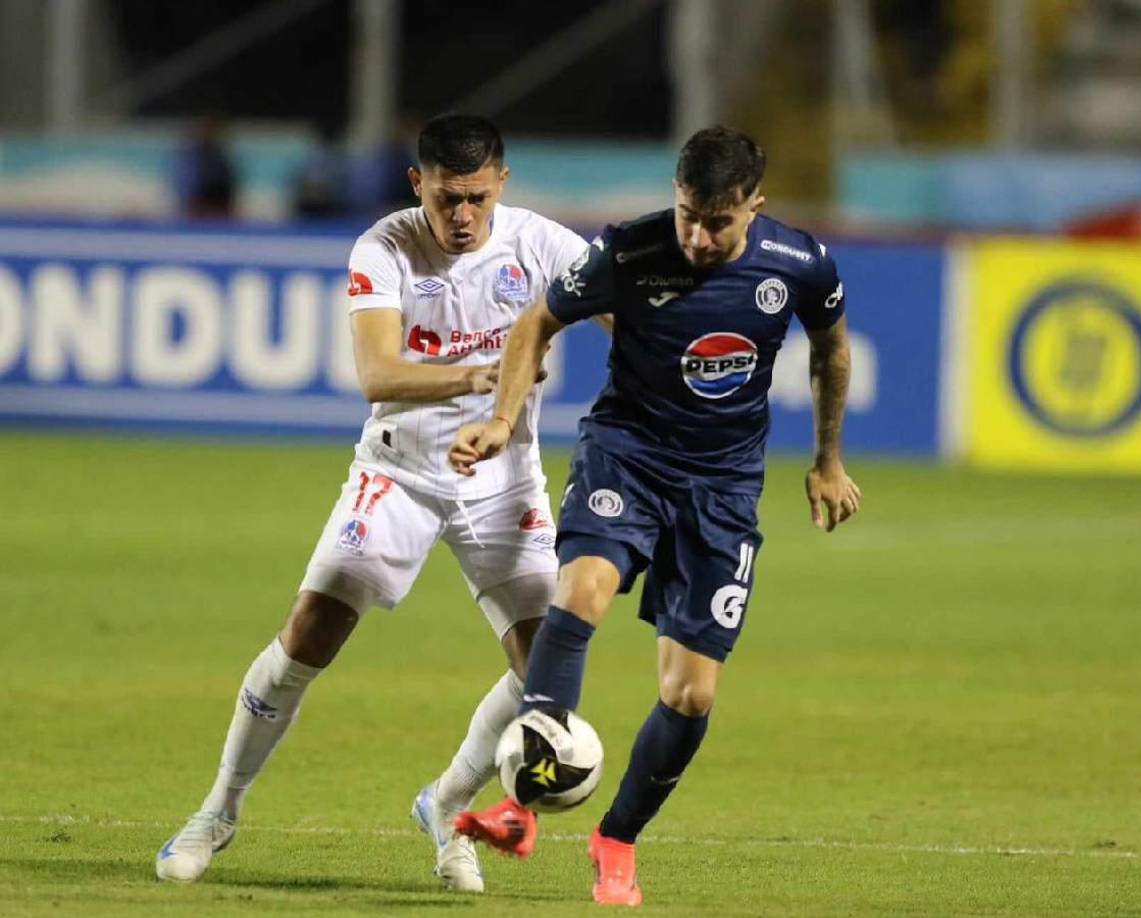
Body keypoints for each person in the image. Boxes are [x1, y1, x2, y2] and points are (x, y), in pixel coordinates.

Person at [155, 114, 601, 894]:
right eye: (444, 199)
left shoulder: (543, 245)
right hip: (399, 471)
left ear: (501, 182)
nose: (460, 217)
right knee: (309, 632)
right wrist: (486, 375)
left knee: (547, 672)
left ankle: (448, 805)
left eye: (474, 198)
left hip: (504, 481)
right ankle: (218, 811)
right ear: (415, 184)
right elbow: (378, 374)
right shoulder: (384, 246)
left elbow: (621, 306)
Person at [448, 126, 861, 907]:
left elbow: (831, 348)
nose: (699, 237)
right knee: (580, 594)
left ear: (754, 208)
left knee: (691, 694)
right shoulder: (628, 252)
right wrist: (504, 419)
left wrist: (828, 460)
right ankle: (520, 803)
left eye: (719, 222)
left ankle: (617, 838)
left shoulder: (799, 263)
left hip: (723, 489)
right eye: (687, 216)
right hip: (627, 455)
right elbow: (537, 319)